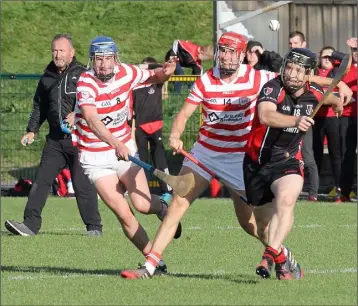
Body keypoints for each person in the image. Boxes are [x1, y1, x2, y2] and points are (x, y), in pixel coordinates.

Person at [120, 31, 302, 280]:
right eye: (222, 50)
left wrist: (337, 88)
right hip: (205, 155)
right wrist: (175, 134)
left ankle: (282, 256)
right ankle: (150, 266)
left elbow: (295, 79)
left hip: (240, 158)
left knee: (253, 225)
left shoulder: (258, 78)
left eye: (231, 52)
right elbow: (183, 115)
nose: (225, 57)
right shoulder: (206, 80)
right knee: (177, 205)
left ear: (242, 55)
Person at [72, 36, 181, 272]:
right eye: (98, 59)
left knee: (141, 204)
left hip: (123, 149)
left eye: (107, 58)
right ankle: (155, 260)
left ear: (115, 58)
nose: (103, 64)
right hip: (95, 158)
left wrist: (167, 72)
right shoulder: (85, 82)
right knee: (124, 214)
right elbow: (91, 118)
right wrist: (114, 142)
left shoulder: (127, 73)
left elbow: (155, 76)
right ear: (92, 60)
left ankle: (163, 208)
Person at [244, 48, 344, 280]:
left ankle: (268, 256)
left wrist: (338, 102)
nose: (292, 74)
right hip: (256, 163)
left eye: (299, 70)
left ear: (308, 73)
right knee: (261, 226)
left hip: (287, 160)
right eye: (290, 67)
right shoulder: (272, 88)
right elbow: (265, 115)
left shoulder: (313, 91)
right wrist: (295, 120)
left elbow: (328, 96)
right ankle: (283, 258)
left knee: (287, 200)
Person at [5, 34, 102, 236]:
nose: (57, 54)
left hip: (79, 139)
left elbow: (95, 103)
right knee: (41, 181)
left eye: (61, 50)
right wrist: (32, 130)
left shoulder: (84, 75)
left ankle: (94, 227)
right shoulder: (47, 76)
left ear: (72, 53)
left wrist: (76, 115)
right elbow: (39, 106)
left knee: (82, 185)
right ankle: (30, 225)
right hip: (55, 141)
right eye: (54, 50)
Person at [130, 57, 172, 200]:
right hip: (140, 126)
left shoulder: (156, 81)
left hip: (155, 125)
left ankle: (167, 190)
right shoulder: (135, 84)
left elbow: (161, 67)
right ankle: (140, 191)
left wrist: (148, 67)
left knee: (159, 159)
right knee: (139, 161)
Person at [288, 31, 319, 201]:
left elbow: (313, 82)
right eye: (290, 43)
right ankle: (291, 190)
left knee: (308, 157)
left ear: (304, 44)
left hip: (305, 115)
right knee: (288, 157)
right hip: (289, 118)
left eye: (296, 43)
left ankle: (313, 193)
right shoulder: (288, 62)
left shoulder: (310, 61)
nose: (292, 46)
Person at [331, 38, 357, 202]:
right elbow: (332, 54)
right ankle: (344, 193)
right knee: (347, 154)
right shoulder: (344, 66)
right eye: (354, 51)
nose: (356, 54)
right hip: (347, 116)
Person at [313, 46, 341, 198]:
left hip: (332, 118)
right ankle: (314, 190)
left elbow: (346, 60)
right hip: (316, 118)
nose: (327, 60)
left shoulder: (336, 72)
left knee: (335, 154)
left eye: (331, 57)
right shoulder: (314, 72)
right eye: (325, 57)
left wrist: (335, 56)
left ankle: (339, 187)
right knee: (315, 153)